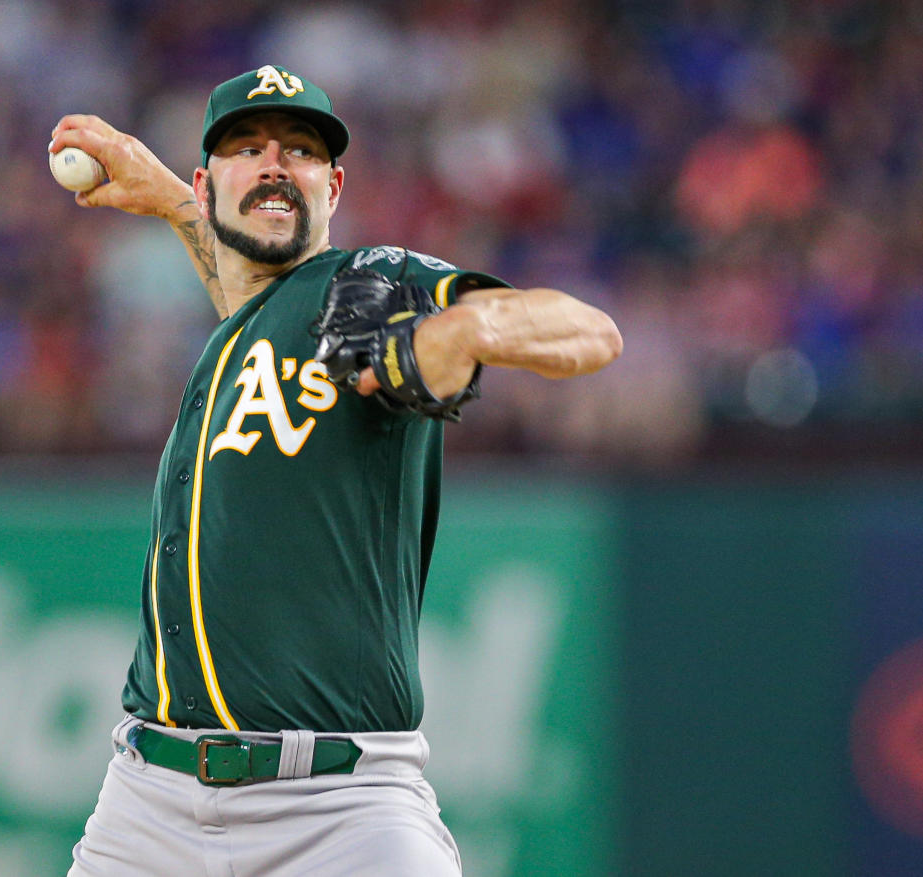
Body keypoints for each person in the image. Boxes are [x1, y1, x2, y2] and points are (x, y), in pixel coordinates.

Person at [49, 65, 622, 876]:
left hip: (339, 807)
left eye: (301, 151)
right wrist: (169, 197)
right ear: (212, 180)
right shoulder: (247, 324)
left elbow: (590, 331)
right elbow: (245, 285)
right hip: (148, 803)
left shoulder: (368, 282)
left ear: (335, 184)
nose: (276, 164)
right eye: (248, 148)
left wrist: (458, 333)